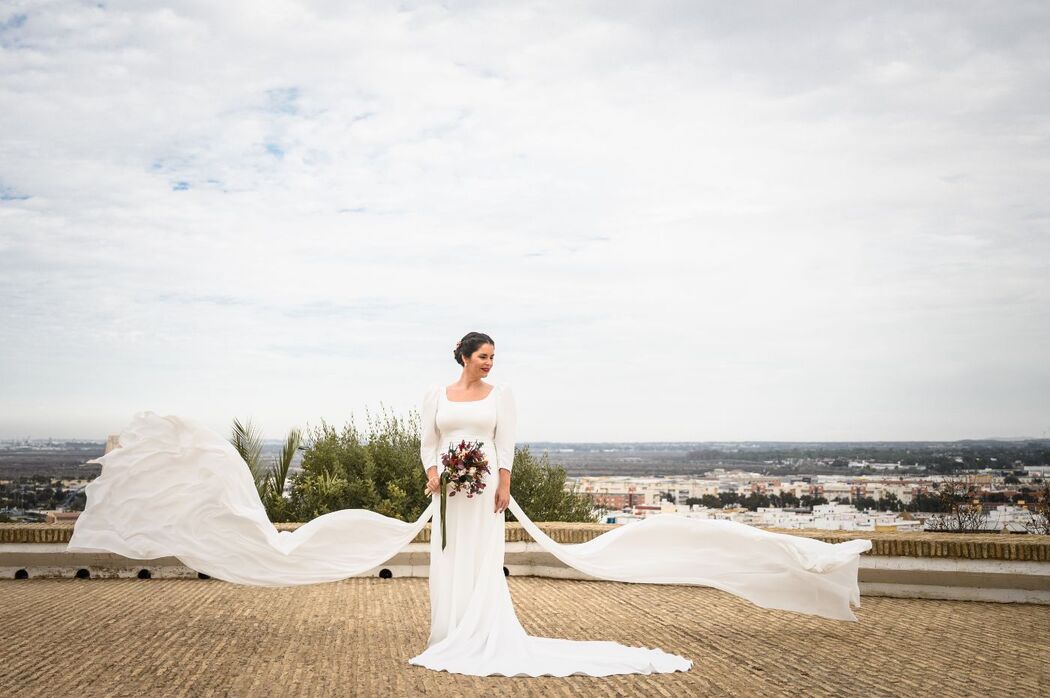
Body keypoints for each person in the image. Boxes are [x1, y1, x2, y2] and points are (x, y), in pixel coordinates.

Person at [67, 331, 873, 677]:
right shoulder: (435, 391)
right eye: (483, 356)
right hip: (447, 488)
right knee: (443, 563)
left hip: (483, 489)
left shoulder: (504, 396)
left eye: (494, 358)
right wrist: (431, 469)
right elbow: (427, 437)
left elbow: (509, 444)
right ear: (461, 358)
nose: (490, 365)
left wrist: (499, 484)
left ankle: (483, 632)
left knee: (480, 559)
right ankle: (450, 631)